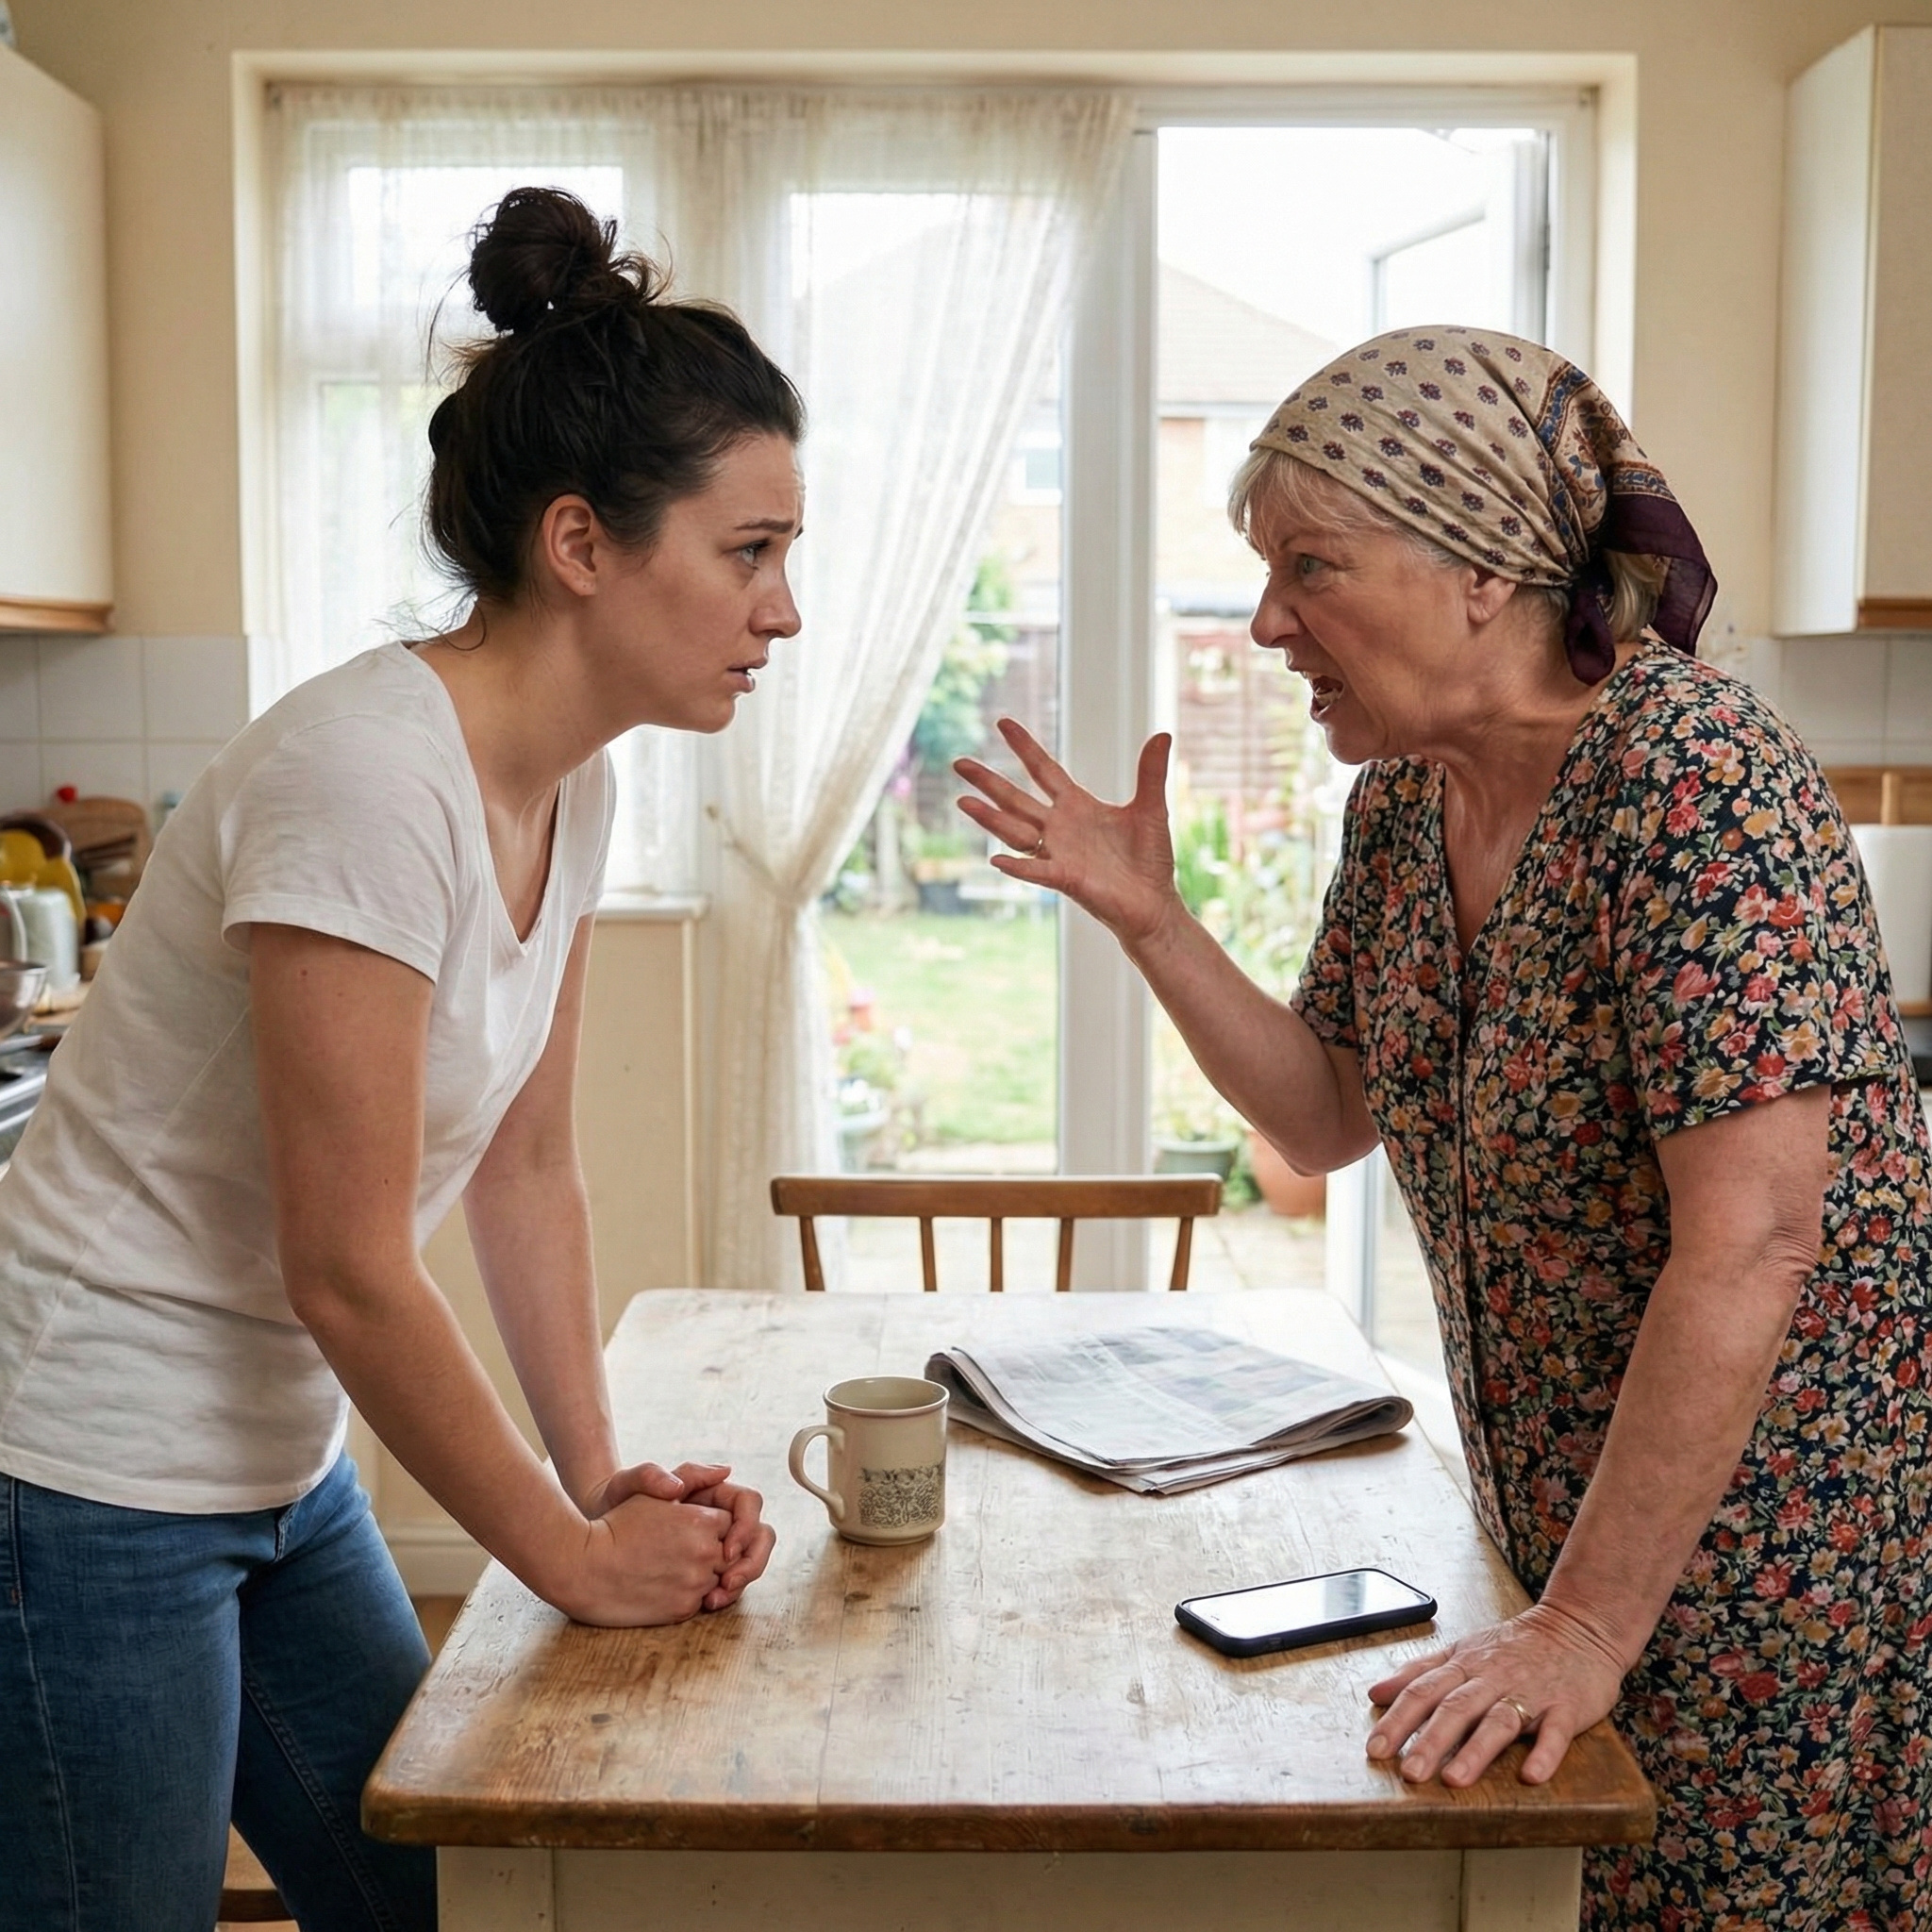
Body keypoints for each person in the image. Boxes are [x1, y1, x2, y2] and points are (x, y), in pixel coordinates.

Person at [956, 325, 1931, 1928]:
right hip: (1559, 1546)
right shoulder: (1405, 802)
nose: (1269, 622)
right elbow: (1329, 1108)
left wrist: (1588, 1631)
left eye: (1311, 568)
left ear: (1485, 570)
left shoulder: (1696, 780)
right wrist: (1149, 920)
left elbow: (1753, 1242)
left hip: (1766, 1573)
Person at [0, 187, 804, 1932]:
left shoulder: (572, 781)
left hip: (276, 1464)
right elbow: (352, 1268)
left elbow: (527, 1166)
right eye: (750, 551)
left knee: (456, 1904)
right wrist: (576, 1563)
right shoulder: (365, 775)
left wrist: (599, 1479)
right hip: (77, 1472)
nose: (784, 608)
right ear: (583, 543)